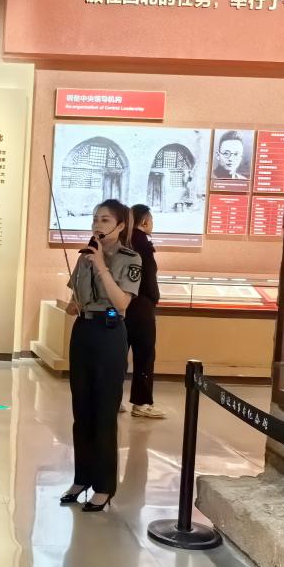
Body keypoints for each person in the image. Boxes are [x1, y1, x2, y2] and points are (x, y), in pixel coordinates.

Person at [60, 199, 142, 513]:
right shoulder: (85, 257)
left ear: (120, 226)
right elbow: (74, 298)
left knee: (104, 413)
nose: (97, 224)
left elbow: (122, 303)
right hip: (84, 331)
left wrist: (101, 266)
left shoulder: (130, 259)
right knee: (81, 411)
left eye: (105, 220)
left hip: (110, 333)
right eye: (95, 219)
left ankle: (104, 486)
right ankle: (82, 477)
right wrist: (73, 305)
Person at [126, 205, 165, 419]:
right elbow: (148, 277)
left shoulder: (123, 240)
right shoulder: (143, 244)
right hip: (141, 307)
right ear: (144, 221)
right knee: (144, 355)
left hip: (122, 305)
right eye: (151, 219)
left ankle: (113, 399)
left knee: (119, 354)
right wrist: (153, 298)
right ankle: (141, 403)